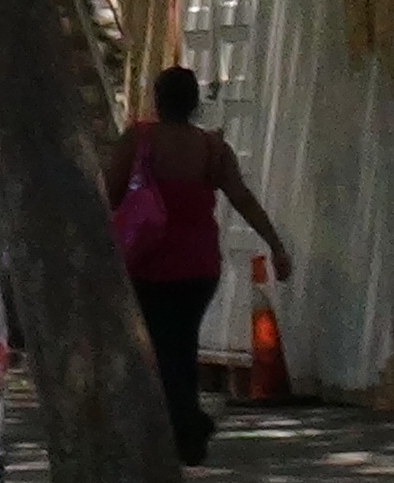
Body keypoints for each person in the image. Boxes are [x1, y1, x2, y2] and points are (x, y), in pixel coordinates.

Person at [109, 67, 289, 465]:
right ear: (194, 103)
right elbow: (243, 199)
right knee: (181, 341)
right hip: (199, 267)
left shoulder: (139, 141)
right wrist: (275, 245)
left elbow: (108, 193)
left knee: (160, 345)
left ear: (158, 100)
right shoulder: (211, 150)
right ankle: (187, 421)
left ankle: (185, 424)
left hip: (149, 263)